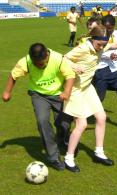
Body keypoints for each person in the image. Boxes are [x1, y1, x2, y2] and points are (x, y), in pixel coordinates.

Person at [63, 24, 117, 172]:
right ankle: (69, 158)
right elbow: (63, 58)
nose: (101, 48)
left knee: (101, 118)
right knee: (82, 124)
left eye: (103, 45)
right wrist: (74, 66)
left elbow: (115, 44)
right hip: (75, 89)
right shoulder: (83, 48)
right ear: (93, 39)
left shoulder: (101, 44)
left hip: (87, 88)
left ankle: (99, 153)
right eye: (99, 45)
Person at [2, 43, 75, 171]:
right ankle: (53, 157)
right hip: (39, 95)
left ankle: (63, 140)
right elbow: (13, 75)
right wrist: (7, 92)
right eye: (35, 63)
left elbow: (70, 75)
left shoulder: (58, 59)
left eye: (41, 63)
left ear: (47, 55)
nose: (38, 65)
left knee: (64, 124)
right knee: (42, 121)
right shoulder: (26, 61)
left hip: (59, 95)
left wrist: (67, 92)